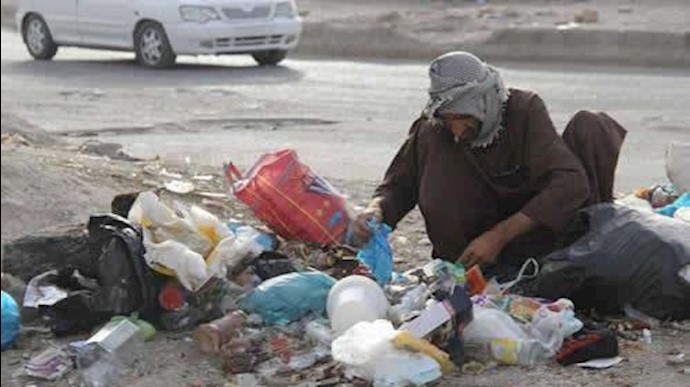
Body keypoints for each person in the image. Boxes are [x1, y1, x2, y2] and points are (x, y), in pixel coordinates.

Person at [351, 51, 626, 271]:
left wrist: (499, 235)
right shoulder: (435, 128)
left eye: (463, 118)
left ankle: (586, 255)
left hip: (535, 237)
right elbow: (399, 185)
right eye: (448, 121)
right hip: (469, 256)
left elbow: (569, 182)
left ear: (483, 103)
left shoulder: (523, 111)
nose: (457, 131)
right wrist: (376, 210)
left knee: (592, 126)